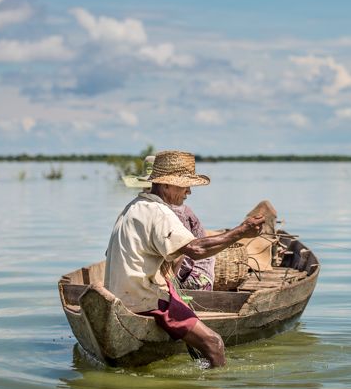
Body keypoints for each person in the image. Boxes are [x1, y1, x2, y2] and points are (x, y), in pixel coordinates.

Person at [104, 150, 263, 367]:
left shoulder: (132, 208)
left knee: (182, 308)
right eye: (184, 185)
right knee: (215, 343)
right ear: (165, 185)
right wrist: (241, 231)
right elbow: (196, 250)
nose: (188, 191)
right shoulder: (159, 212)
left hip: (120, 296)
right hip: (143, 299)